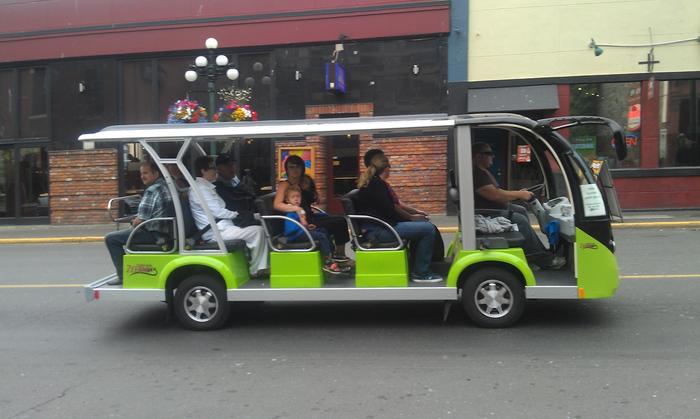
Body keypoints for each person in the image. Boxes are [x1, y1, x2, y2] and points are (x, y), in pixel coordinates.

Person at [471, 141, 565, 269]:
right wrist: (520, 195)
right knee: (519, 220)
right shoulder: (476, 174)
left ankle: (531, 254)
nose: (493, 156)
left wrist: (518, 194)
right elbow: (495, 195)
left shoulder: (483, 172)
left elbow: (498, 193)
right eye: (489, 153)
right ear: (478, 156)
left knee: (520, 210)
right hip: (487, 214)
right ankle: (544, 259)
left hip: (493, 210)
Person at [356, 154, 442, 283]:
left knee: (422, 226)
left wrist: (412, 218)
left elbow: (390, 208)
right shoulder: (377, 185)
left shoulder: (374, 183)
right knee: (428, 229)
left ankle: (417, 266)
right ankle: (421, 272)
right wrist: (411, 219)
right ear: (386, 168)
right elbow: (389, 210)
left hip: (379, 228)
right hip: (379, 232)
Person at [189, 155, 269, 277]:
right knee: (258, 231)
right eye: (212, 168)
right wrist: (238, 214)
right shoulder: (200, 189)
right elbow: (218, 212)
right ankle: (256, 270)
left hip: (224, 227)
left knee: (256, 226)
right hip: (217, 232)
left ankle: (257, 266)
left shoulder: (206, 187)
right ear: (203, 171)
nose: (216, 171)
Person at [105, 159, 174, 284]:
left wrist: (132, 222)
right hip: (165, 230)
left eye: (146, 173)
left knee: (111, 238)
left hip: (154, 233)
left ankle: (123, 276)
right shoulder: (165, 186)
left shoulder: (152, 191)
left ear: (156, 174)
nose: (142, 176)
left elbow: (140, 221)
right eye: (141, 174)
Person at [273, 155, 351, 263]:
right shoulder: (284, 184)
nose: (295, 170)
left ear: (302, 168)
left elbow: (310, 198)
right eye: (291, 167)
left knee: (341, 220)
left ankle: (340, 254)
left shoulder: (302, 182)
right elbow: (277, 204)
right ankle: (336, 257)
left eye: (298, 167)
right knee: (337, 223)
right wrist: (296, 209)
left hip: (310, 216)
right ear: (286, 169)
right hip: (299, 222)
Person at [282, 185, 344, 274]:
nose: (296, 199)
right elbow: (296, 227)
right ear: (288, 200)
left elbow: (303, 225)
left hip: (302, 232)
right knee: (320, 236)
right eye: (293, 197)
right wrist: (303, 221)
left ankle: (331, 254)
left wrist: (308, 226)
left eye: (298, 196)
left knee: (323, 231)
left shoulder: (298, 210)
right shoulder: (291, 211)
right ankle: (327, 261)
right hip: (294, 236)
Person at [213, 153, 259, 227]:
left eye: (233, 165)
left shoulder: (233, 180)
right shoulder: (218, 185)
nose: (232, 168)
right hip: (234, 219)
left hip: (244, 215)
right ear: (219, 169)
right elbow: (234, 198)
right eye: (228, 166)